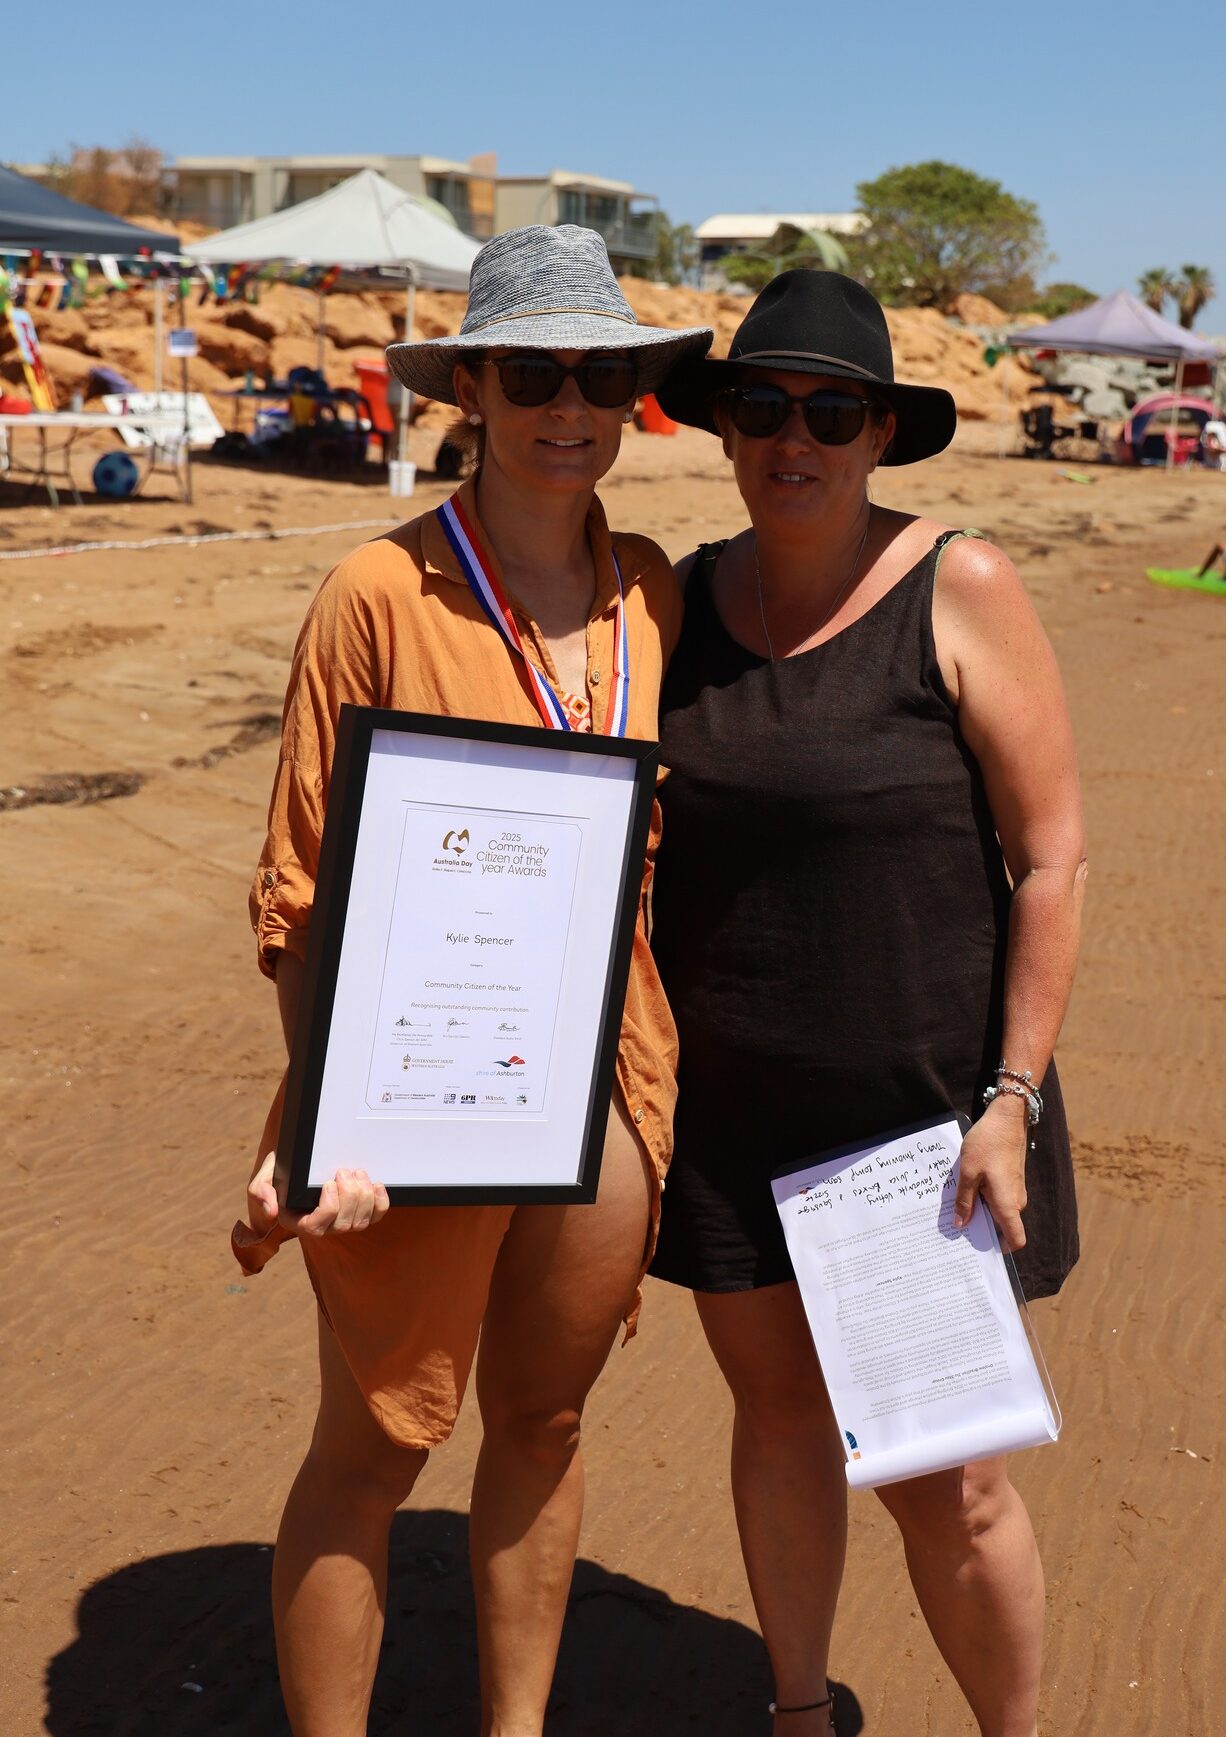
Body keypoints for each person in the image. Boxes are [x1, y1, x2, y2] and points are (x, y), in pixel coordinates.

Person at [229, 225, 709, 1736]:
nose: (568, 405)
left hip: (602, 1078)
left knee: (547, 1425)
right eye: (532, 371)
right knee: (373, 1447)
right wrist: (319, 1121)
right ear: (474, 389)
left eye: (599, 375)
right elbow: (305, 886)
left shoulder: (648, 592)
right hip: (407, 1091)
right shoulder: (376, 590)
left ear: (633, 395)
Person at [649, 270, 1086, 1737]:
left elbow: (1051, 855)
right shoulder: (677, 603)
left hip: (924, 1124)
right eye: (762, 406)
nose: (795, 438)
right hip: (728, 1116)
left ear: (881, 432)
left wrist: (1012, 1099)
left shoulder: (962, 584)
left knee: (945, 1479)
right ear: (722, 427)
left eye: (832, 412)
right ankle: (796, 1711)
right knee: (777, 1429)